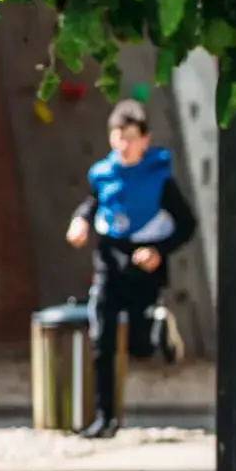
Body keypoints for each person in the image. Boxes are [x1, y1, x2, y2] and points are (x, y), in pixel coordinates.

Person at [66, 98, 198, 439]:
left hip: (146, 263)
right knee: (102, 339)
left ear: (145, 139)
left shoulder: (160, 178)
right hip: (111, 259)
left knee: (139, 344)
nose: (123, 145)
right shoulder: (104, 174)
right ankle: (104, 418)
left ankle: (157, 323)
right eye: (117, 137)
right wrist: (80, 221)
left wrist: (159, 251)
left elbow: (187, 224)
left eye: (130, 138)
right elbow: (92, 204)